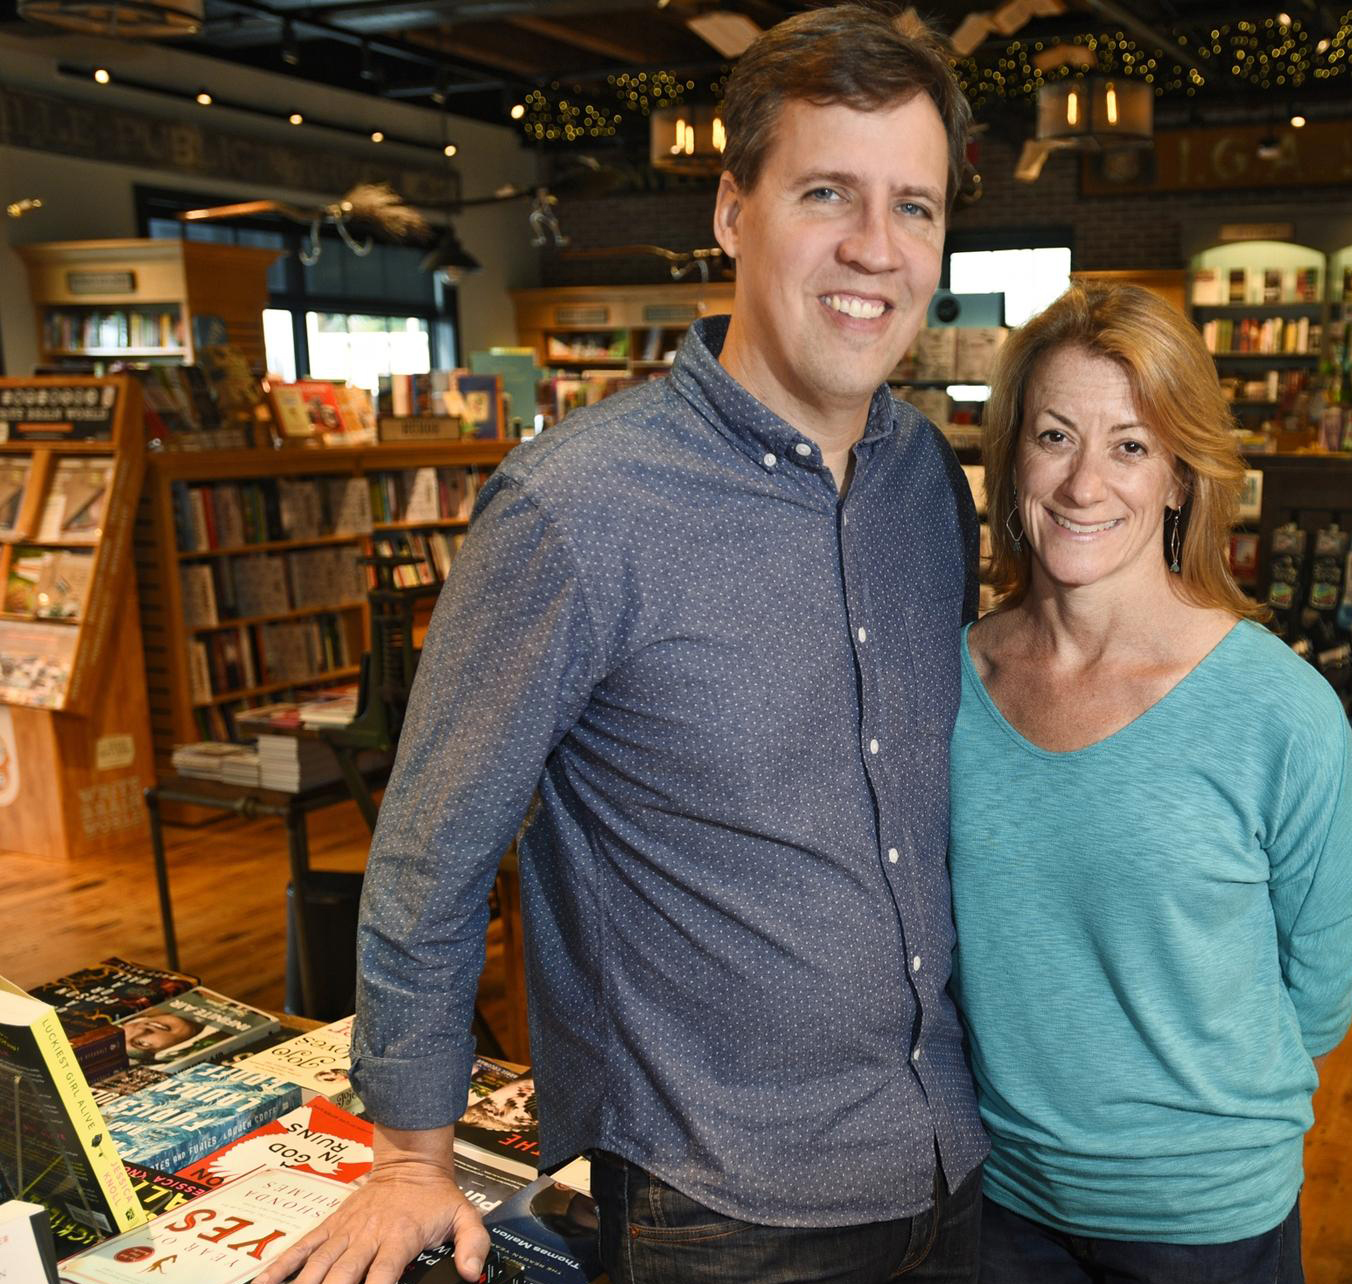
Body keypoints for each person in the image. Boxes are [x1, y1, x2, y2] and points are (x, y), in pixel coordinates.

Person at [256, 9, 985, 1284]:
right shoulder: (574, 509)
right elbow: (432, 851)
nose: (875, 247)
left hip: (951, 1160)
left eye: (913, 207)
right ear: (729, 211)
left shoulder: (929, 479)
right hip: (721, 1208)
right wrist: (410, 1162)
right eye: (827, 192)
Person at [947, 282, 1352, 1283]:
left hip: (1201, 1219)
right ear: (1012, 452)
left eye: (1130, 446)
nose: (1083, 484)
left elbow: (1318, 992)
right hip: (995, 1201)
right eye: (1054, 436)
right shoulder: (947, 682)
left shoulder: (1277, 711)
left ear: (1182, 477)